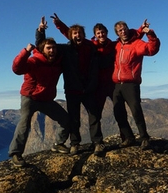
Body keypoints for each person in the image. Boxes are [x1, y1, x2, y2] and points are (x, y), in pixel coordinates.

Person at [50, 13, 146, 143]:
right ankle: (97, 142)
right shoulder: (91, 45)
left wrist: (141, 29)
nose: (101, 35)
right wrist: (59, 24)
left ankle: (127, 138)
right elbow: (73, 35)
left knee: (120, 112)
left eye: (103, 33)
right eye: (98, 33)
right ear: (95, 35)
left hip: (113, 84)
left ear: (107, 33)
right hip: (98, 86)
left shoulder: (114, 45)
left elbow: (129, 36)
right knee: (96, 114)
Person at [36, 17, 104, 156]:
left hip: (89, 88)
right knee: (74, 118)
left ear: (84, 35)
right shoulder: (65, 49)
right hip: (73, 90)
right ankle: (75, 144)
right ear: (70, 36)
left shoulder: (91, 48)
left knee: (94, 117)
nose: (77, 35)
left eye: (80, 33)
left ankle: (97, 143)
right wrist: (41, 31)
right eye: (74, 33)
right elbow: (42, 46)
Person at [8, 29, 70, 167]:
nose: (52, 50)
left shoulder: (57, 63)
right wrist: (26, 51)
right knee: (24, 124)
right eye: (49, 48)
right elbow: (17, 69)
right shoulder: (34, 61)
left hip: (46, 98)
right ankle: (16, 153)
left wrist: (41, 31)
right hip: (30, 97)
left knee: (65, 120)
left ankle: (58, 144)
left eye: (54, 48)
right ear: (43, 50)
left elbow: (71, 45)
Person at [112, 20, 160, 150]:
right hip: (116, 84)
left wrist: (150, 34)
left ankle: (144, 138)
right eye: (120, 30)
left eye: (125, 28)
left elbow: (152, 49)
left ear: (128, 29)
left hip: (131, 84)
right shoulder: (116, 45)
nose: (123, 31)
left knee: (136, 111)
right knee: (119, 113)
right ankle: (129, 138)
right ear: (117, 33)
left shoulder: (136, 44)